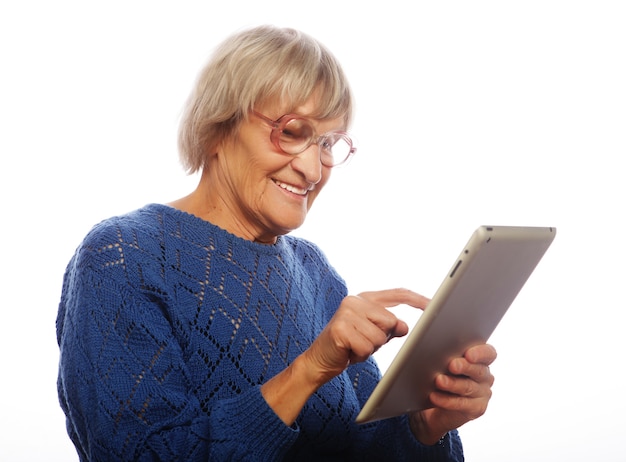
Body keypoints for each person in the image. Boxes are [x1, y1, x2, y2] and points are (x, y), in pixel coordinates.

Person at [56, 25, 497, 461]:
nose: (312, 169)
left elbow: (362, 448)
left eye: (327, 143)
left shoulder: (312, 270)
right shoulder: (123, 258)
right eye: (292, 131)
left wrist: (423, 428)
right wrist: (309, 370)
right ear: (218, 125)